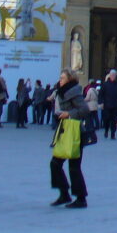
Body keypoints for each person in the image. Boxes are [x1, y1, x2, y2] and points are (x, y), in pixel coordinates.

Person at [49, 67, 90, 208]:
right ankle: (64, 193)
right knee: (55, 163)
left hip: (76, 132)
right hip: (64, 131)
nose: (60, 80)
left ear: (69, 80)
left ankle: (81, 198)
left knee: (74, 166)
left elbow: (84, 109)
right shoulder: (61, 91)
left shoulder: (74, 92)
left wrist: (69, 114)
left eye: (62, 78)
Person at [99, 69, 117, 139]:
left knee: (114, 120)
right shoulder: (105, 84)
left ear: (116, 76)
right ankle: (106, 130)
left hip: (115, 105)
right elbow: (101, 94)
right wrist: (101, 102)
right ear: (110, 75)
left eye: (114, 75)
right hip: (106, 105)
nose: (113, 76)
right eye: (112, 75)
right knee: (106, 119)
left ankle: (113, 133)